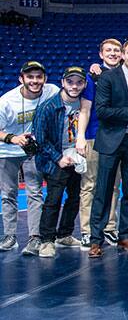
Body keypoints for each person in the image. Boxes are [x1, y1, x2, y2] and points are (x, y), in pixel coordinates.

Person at [86, 39, 128, 258]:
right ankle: (96, 239)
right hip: (111, 140)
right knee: (103, 191)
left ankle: (125, 235)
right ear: (123, 55)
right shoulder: (107, 77)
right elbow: (103, 111)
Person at [0, 61, 59, 255]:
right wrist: (13, 138)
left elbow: (73, 93)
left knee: (35, 192)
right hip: (7, 150)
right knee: (8, 194)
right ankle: (10, 236)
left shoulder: (51, 91)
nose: (35, 81)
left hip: (32, 151)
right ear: (21, 79)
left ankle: (35, 237)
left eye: (38, 77)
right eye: (30, 77)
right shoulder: (7, 101)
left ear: (45, 79)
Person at [32, 67, 90, 258]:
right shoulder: (48, 107)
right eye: (70, 82)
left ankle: (64, 234)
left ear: (84, 84)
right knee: (53, 200)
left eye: (79, 82)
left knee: (75, 197)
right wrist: (58, 158)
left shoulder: (83, 104)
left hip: (76, 157)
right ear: (63, 83)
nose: (74, 86)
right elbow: (40, 139)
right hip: (56, 160)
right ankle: (47, 240)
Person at [80, 39, 123, 248]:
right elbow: (85, 109)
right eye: (109, 50)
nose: (113, 54)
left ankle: (109, 227)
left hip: (118, 136)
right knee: (90, 184)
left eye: (116, 50)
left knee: (114, 186)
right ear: (100, 53)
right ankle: (87, 230)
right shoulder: (91, 78)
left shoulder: (125, 75)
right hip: (95, 135)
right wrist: (80, 136)